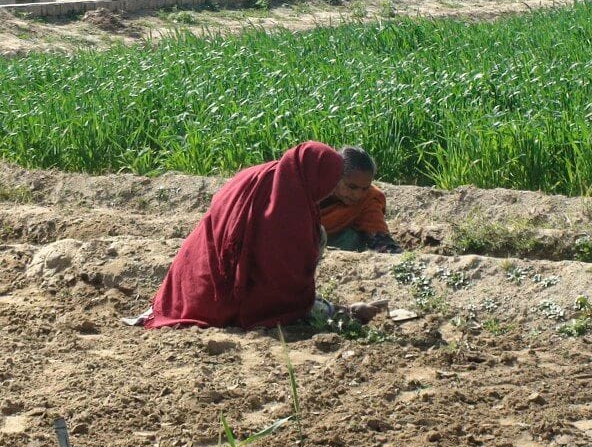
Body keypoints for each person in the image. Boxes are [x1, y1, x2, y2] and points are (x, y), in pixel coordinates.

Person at [144, 141, 343, 329]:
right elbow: (282, 284)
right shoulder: (285, 212)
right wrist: (325, 309)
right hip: (220, 298)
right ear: (317, 177)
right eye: (330, 183)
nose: (332, 190)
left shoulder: (265, 174)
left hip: (187, 281)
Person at [319, 146, 402, 254]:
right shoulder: (312, 188)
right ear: (336, 177)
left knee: (351, 238)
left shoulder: (369, 198)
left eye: (365, 188)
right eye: (352, 187)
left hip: (336, 245)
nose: (358, 195)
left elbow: (379, 237)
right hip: (302, 240)